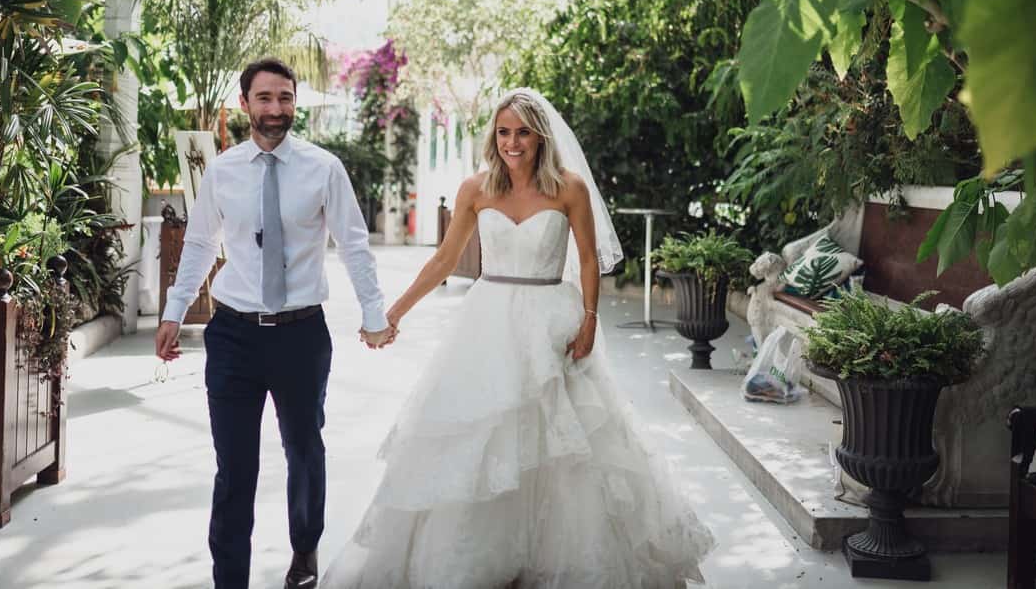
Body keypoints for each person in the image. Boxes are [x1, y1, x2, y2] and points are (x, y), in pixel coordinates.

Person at [320, 88, 715, 588]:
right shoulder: (476, 189)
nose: (513, 142)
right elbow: (444, 260)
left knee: (562, 439)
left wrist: (591, 319)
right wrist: (394, 313)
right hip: (487, 322)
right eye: (504, 132)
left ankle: (554, 557)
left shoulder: (569, 188)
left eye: (522, 132)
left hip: (552, 319)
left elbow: (589, 260)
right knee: (480, 433)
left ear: (540, 136)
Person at [156, 58, 395, 589]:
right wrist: (174, 311)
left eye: (285, 98)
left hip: (301, 334)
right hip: (234, 334)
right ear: (245, 104)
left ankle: (304, 550)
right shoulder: (221, 171)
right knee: (234, 467)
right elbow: (199, 246)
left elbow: (354, 243)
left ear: (295, 103)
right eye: (265, 98)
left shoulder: (323, 168)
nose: (276, 109)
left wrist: (374, 314)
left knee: (305, 451)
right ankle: (230, 579)